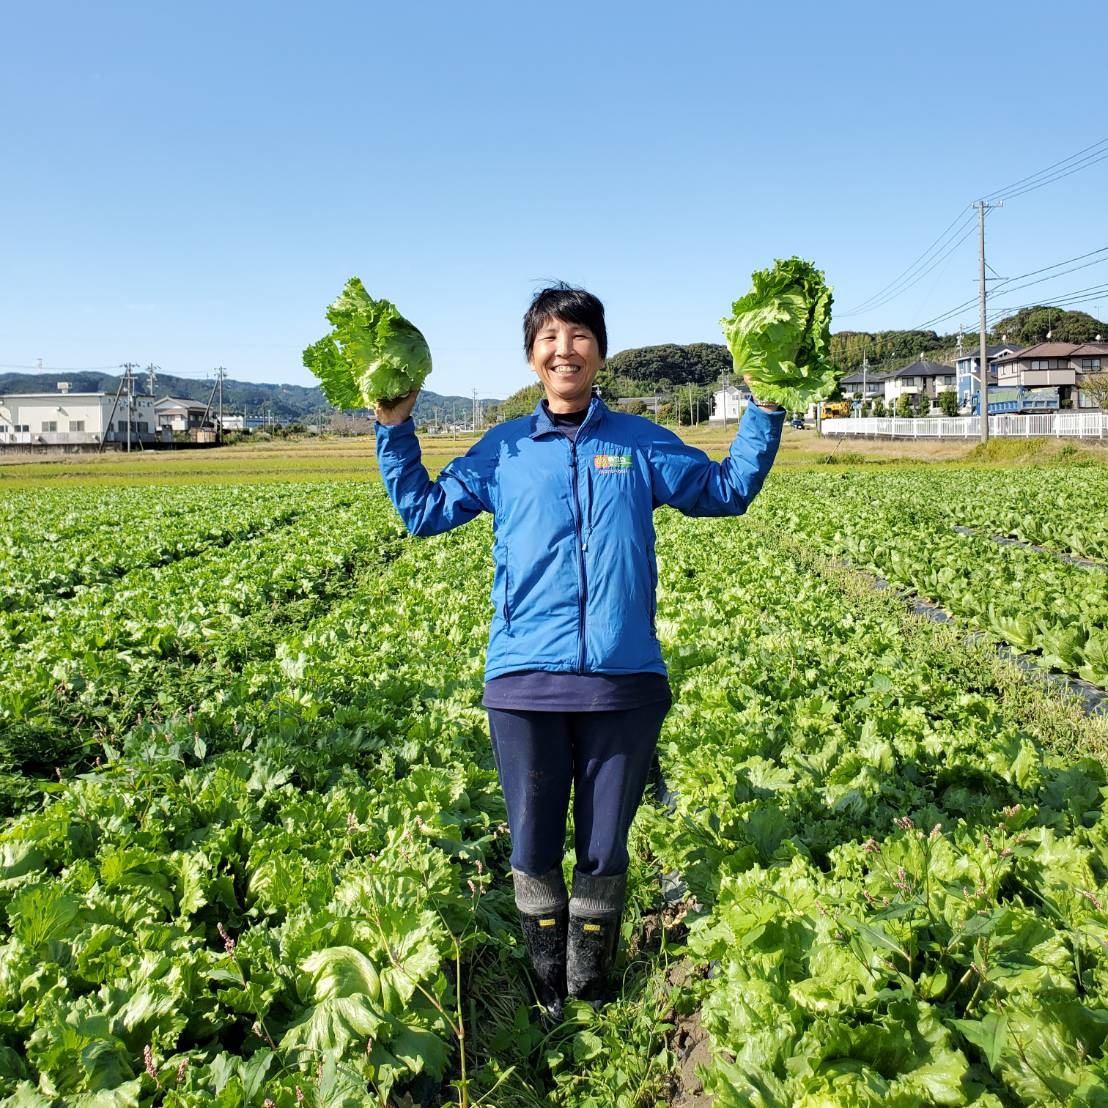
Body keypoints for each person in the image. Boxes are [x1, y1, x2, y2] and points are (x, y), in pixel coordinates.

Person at [374, 284, 783, 1018]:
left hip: (623, 682)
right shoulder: (504, 449)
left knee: (603, 851)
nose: (565, 349)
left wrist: (766, 408)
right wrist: (394, 427)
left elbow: (727, 489)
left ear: (599, 350)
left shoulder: (635, 442)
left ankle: (589, 990)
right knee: (532, 847)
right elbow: (423, 511)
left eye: (579, 335)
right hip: (525, 682)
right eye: (550, 339)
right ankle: (545, 995)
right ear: (532, 357)